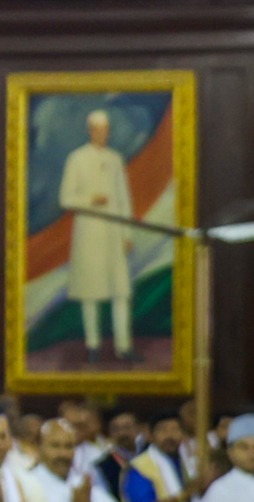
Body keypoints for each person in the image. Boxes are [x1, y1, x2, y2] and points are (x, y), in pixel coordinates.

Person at [59, 110, 136, 366]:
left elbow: (124, 199)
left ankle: (123, 347)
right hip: (89, 234)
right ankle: (93, 346)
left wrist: (127, 233)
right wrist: (91, 200)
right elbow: (66, 199)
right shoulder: (77, 159)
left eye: (105, 130)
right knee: (91, 294)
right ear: (90, 130)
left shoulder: (116, 159)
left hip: (114, 234)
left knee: (120, 293)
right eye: (97, 129)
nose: (102, 134)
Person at [96, 409, 140, 499]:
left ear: (138, 429)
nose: (123, 433)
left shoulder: (150, 455)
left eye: (127, 427)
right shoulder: (103, 466)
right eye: (116, 429)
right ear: (110, 433)